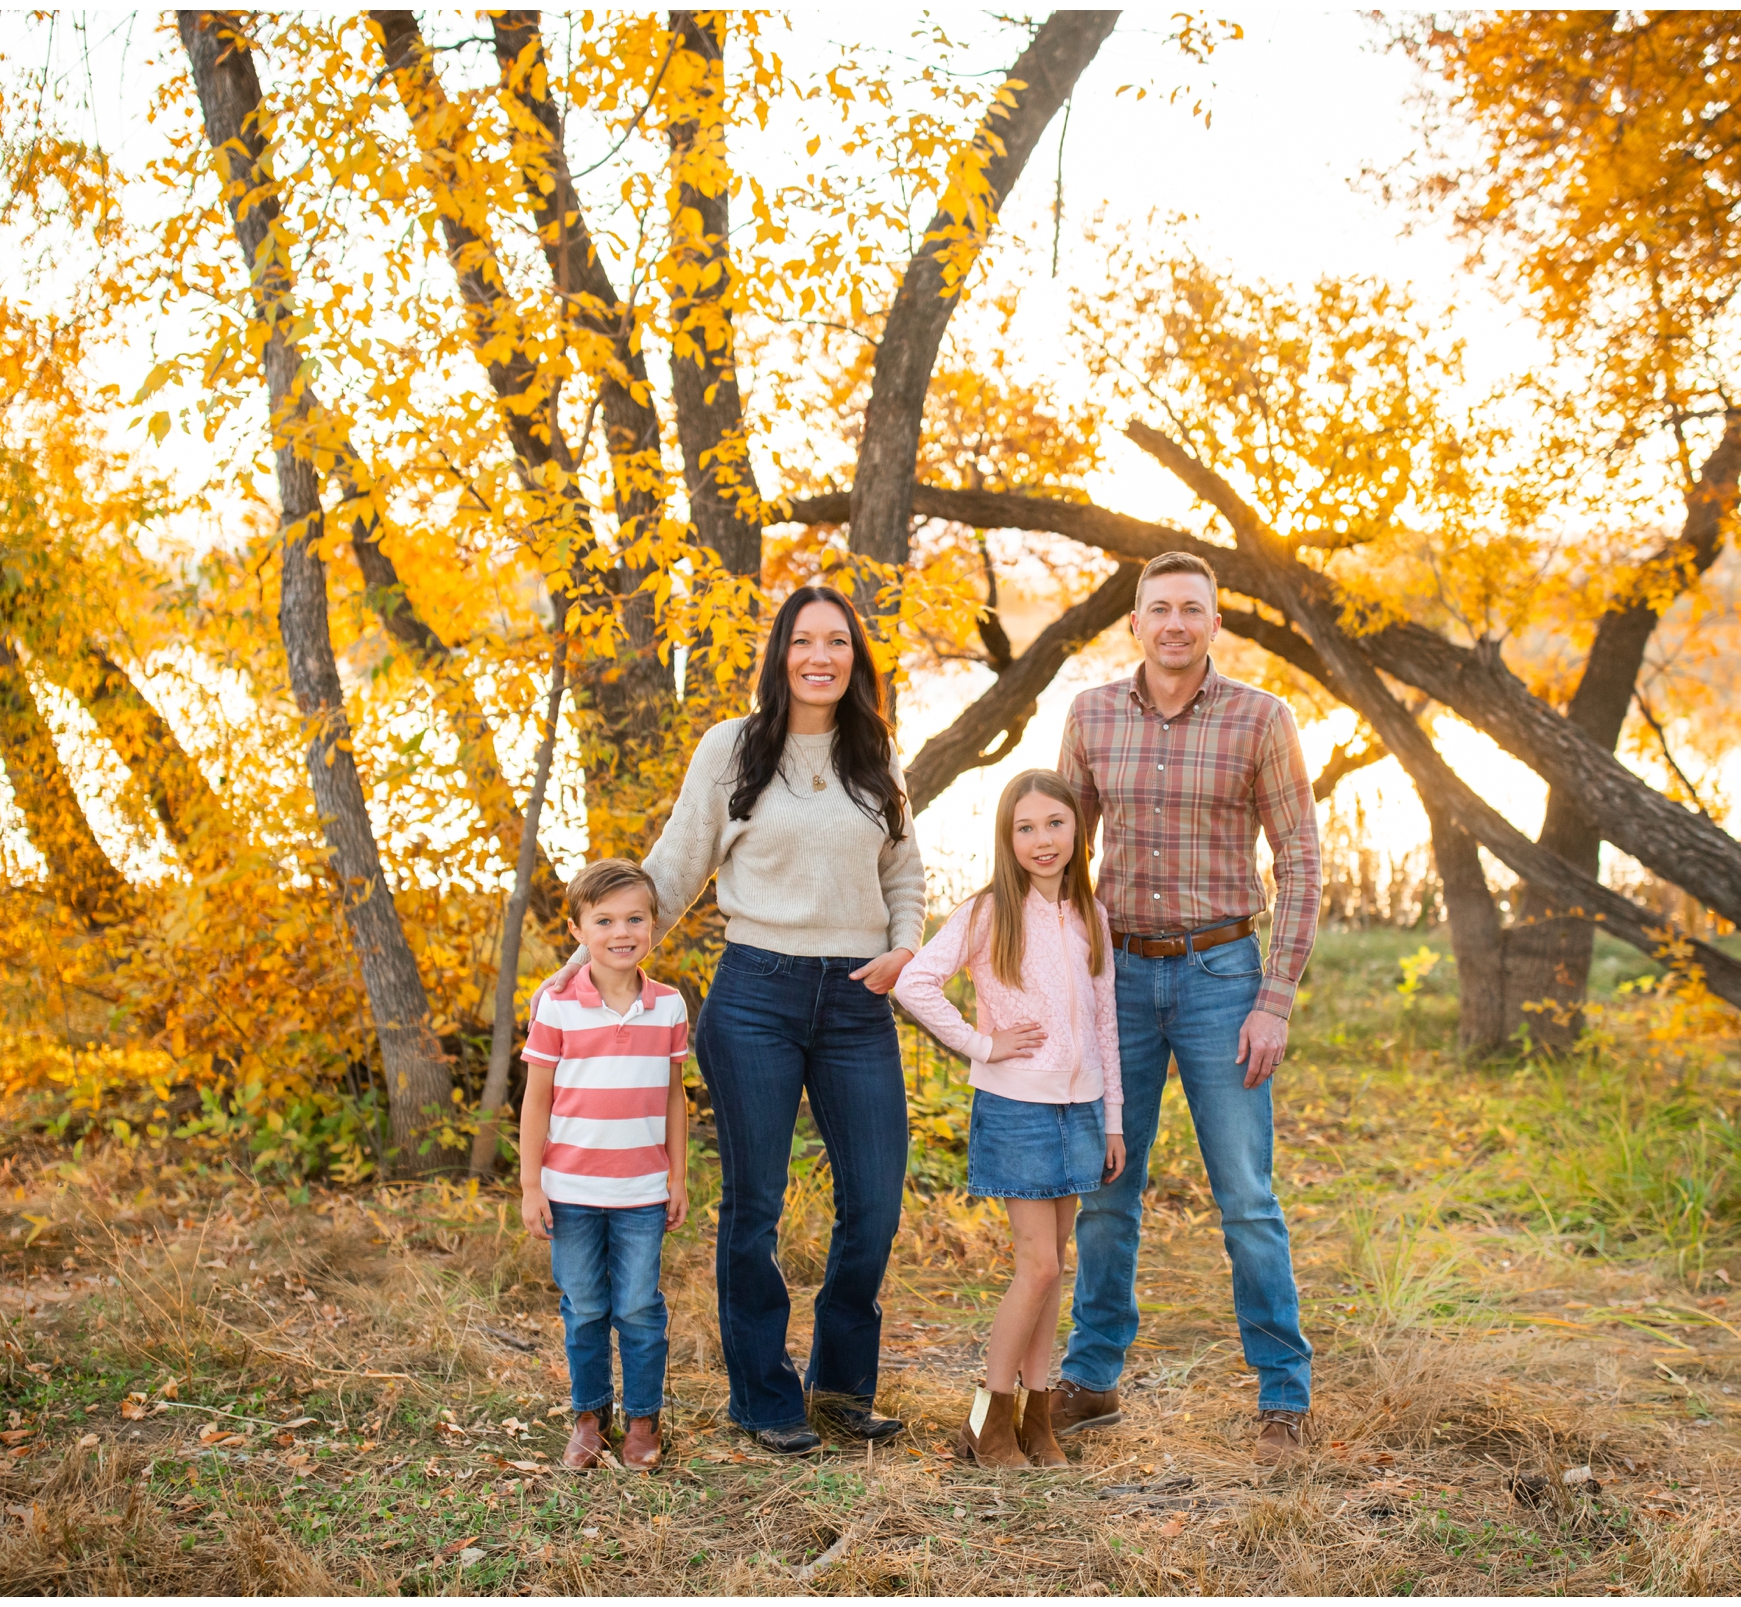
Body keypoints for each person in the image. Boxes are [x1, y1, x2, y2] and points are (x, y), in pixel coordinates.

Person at [540, 584, 923, 1455]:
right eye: (803, 641)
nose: (820, 657)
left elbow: (905, 876)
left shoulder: (876, 756)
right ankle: (763, 1397)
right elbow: (670, 872)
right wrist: (582, 964)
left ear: (854, 658)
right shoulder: (733, 749)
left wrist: (904, 950)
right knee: (754, 1203)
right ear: (780, 653)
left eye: (837, 642)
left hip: (859, 997)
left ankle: (839, 1383)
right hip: (756, 994)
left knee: (874, 1199)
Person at [1049, 549, 1324, 1464]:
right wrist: (1053, 983)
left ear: (1215, 623)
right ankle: (1090, 1380)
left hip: (1222, 979)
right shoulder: (1089, 715)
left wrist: (1274, 998)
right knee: (1104, 1191)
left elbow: (1302, 862)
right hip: (1116, 979)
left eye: (1191, 609)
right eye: (1158, 608)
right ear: (1134, 623)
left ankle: (1283, 1394)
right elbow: (1057, 858)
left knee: (1246, 1195)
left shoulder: (1262, 718)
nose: (1174, 623)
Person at [893, 770, 1126, 1468]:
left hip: (1080, 1107)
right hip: (1018, 1106)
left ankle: (1035, 1418)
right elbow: (915, 981)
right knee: (1039, 1265)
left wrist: (1113, 1117)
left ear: (1077, 829)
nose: (1042, 839)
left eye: (1054, 823)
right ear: (1008, 838)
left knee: (1054, 1270)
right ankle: (986, 1418)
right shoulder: (990, 909)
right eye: (1025, 827)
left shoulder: (1092, 915)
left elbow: (1107, 1022)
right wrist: (981, 1043)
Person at [519, 857, 691, 1472]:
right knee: (585, 1305)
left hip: (643, 1190)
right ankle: (590, 1417)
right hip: (570, 1190)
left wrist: (678, 1175)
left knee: (640, 1306)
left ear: (652, 925)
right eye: (606, 920)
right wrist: (531, 1183)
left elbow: (673, 1096)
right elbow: (537, 1098)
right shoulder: (557, 1004)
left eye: (635, 919)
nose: (622, 932)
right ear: (579, 931)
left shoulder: (669, 1006)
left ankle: (643, 1420)